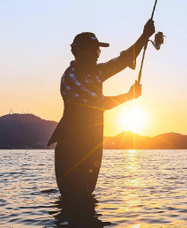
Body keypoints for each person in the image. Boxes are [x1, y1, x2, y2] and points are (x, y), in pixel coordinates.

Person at [47, 19, 155, 198]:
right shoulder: (70, 78)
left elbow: (124, 59)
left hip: (93, 146)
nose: (98, 54)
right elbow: (96, 103)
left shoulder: (96, 72)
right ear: (80, 52)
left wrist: (144, 36)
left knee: (86, 196)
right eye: (95, 50)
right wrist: (128, 96)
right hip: (71, 149)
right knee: (73, 198)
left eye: (99, 50)